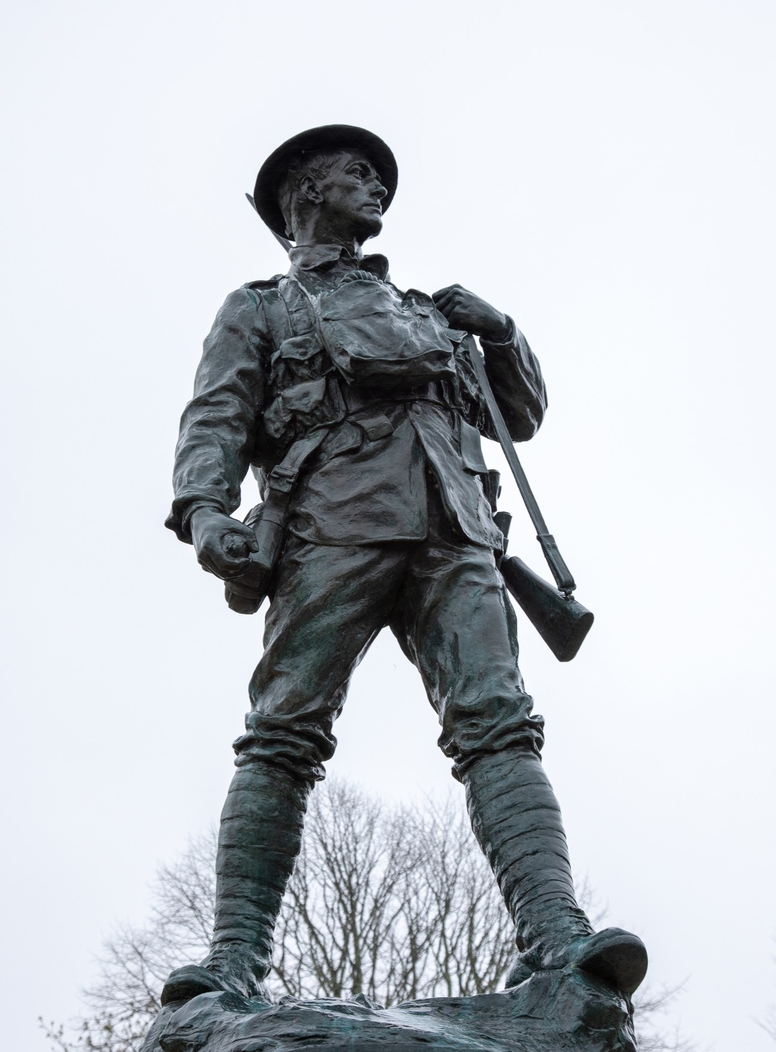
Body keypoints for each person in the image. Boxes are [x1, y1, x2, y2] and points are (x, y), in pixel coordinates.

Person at [162, 124, 647, 1006]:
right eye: (356, 174)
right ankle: (233, 959)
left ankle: (557, 935)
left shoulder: (432, 312)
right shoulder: (263, 305)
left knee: (500, 723)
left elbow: (521, 414)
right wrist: (202, 511)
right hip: (328, 523)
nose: (375, 187)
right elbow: (217, 414)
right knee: (282, 731)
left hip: (455, 525)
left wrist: (499, 333)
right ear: (306, 194)